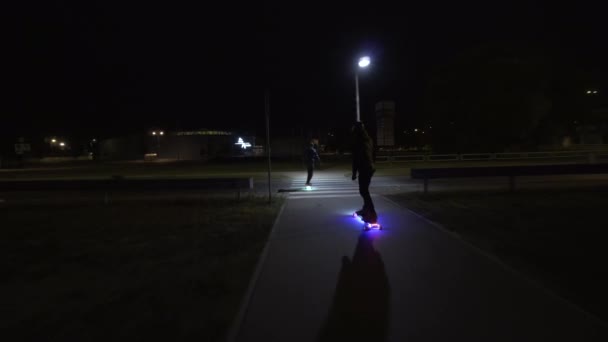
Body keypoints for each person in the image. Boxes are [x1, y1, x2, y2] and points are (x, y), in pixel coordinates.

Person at [351, 122, 377, 223]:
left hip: (364, 168)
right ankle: (366, 209)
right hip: (370, 168)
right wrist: (373, 164)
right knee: (364, 190)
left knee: (364, 191)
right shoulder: (368, 139)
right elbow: (374, 153)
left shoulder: (357, 141)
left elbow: (356, 158)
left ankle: (372, 214)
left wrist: (354, 173)